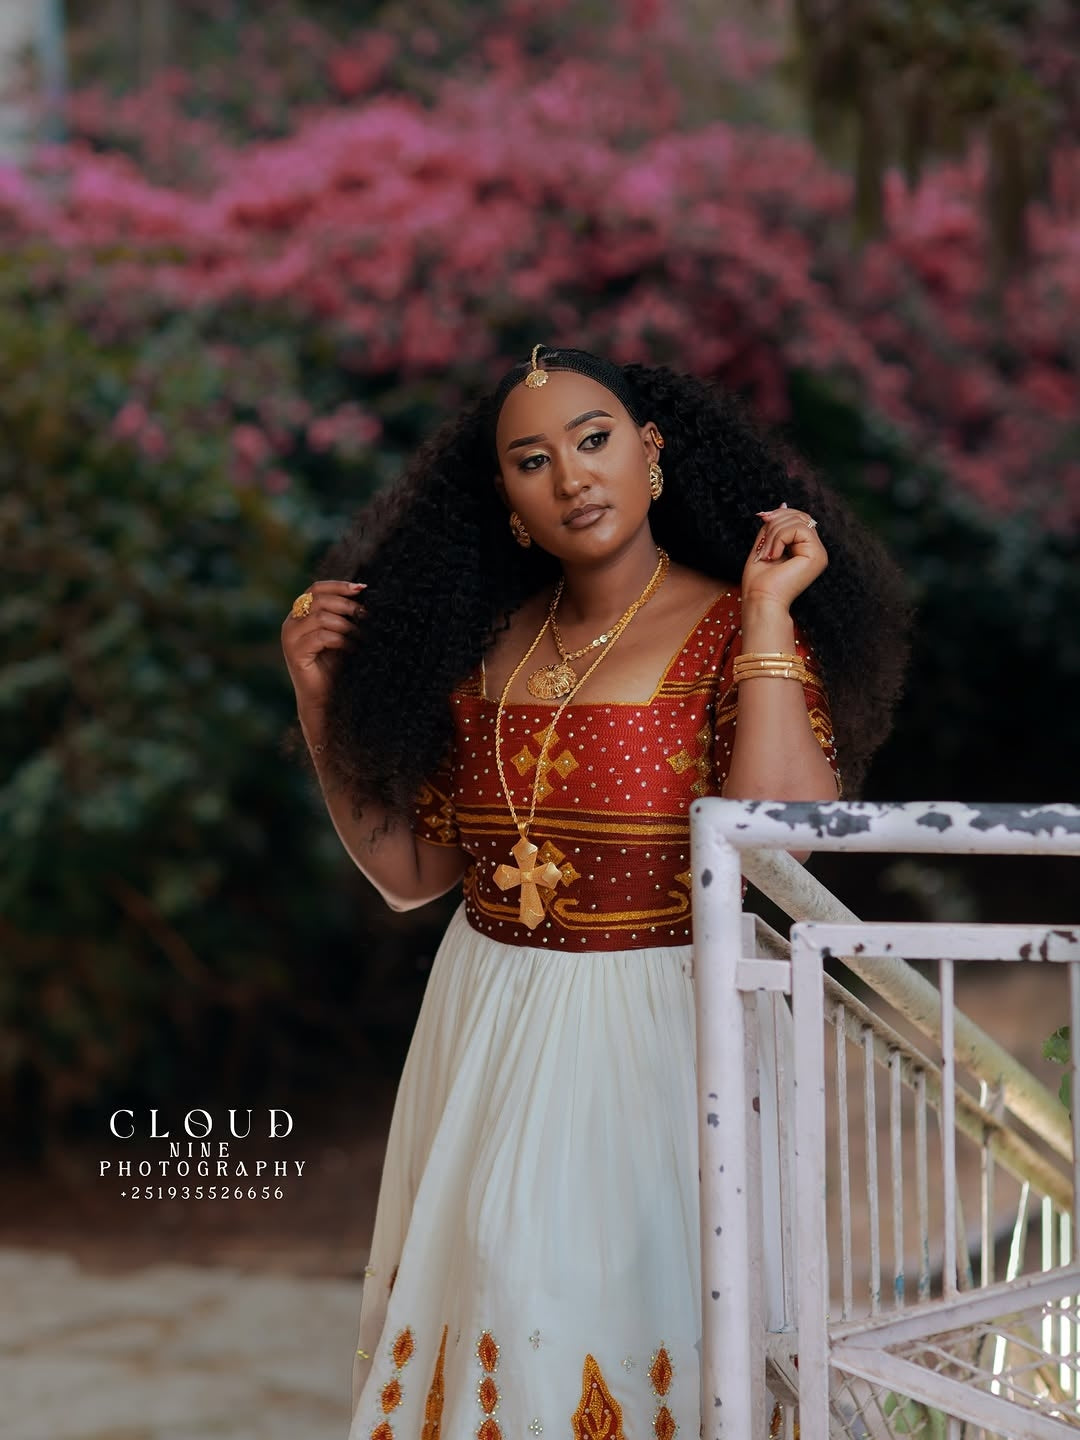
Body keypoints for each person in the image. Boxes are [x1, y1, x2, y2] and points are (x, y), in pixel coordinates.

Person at [280, 344, 910, 1440]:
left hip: (655, 1029)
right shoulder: (483, 648)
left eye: (594, 439)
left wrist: (768, 613)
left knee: (611, 1306)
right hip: (485, 1020)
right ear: (509, 504)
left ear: (651, 456)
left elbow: (784, 843)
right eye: (532, 460)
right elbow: (410, 875)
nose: (571, 474)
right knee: (497, 1295)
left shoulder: (731, 627)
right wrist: (318, 701)